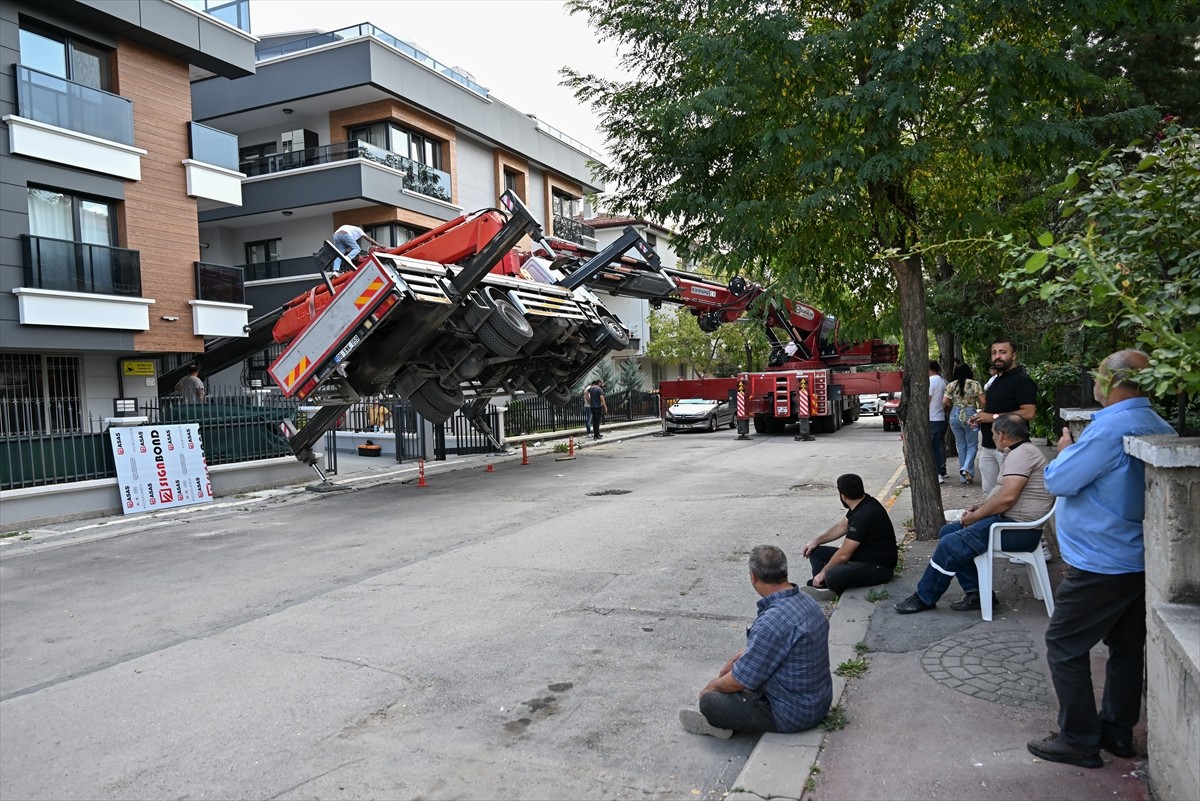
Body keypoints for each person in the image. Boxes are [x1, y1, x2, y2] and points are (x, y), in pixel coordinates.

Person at [1027, 349, 1175, 769]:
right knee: (1126, 648)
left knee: (1063, 644)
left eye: (1097, 375)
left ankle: (1078, 739)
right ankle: (1117, 732)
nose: (1094, 382)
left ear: (1111, 381)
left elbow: (1059, 479)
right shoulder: (1156, 422)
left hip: (1102, 561)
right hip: (1137, 557)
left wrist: (1065, 449)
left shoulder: (1110, 426)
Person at [894, 413, 1053, 614]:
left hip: (1016, 531)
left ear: (1002, 435)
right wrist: (980, 508)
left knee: (949, 544)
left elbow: (1007, 498)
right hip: (1008, 521)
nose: (992, 437)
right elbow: (1005, 494)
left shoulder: (1022, 455)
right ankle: (976, 593)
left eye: (993, 433)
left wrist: (976, 517)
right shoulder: (1019, 451)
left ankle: (925, 597)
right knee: (947, 532)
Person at [679, 545, 832, 738]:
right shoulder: (806, 600)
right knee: (736, 673)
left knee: (711, 702)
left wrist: (711, 687)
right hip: (818, 702)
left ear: (753, 577)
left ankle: (717, 725)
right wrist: (739, 658)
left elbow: (739, 680)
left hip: (794, 714)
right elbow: (776, 646)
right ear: (784, 572)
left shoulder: (772, 621)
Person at [800, 474, 897, 600]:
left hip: (879, 567)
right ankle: (821, 586)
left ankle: (824, 583)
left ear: (843, 496)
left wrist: (823, 572)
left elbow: (844, 555)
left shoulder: (864, 515)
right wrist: (815, 541)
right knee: (816, 552)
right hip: (861, 557)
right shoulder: (862, 503)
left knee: (832, 574)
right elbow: (841, 527)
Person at [969, 339, 1037, 494]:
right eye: (994, 352)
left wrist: (992, 417)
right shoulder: (997, 380)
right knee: (990, 494)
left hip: (1010, 448)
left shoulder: (1022, 380)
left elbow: (1029, 413)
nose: (997, 356)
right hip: (988, 446)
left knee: (1008, 495)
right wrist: (978, 417)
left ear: (1014, 355)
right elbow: (995, 409)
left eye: (1003, 352)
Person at [946, 363, 985, 484]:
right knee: (972, 445)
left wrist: (953, 407)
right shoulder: (975, 384)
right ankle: (966, 469)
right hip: (970, 415)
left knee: (961, 445)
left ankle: (964, 477)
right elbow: (983, 401)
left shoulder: (951, 385)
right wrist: (981, 412)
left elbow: (945, 402)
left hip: (954, 415)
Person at [928, 360, 948, 483]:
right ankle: (942, 470)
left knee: (932, 447)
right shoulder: (942, 381)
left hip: (932, 417)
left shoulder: (931, 381)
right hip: (941, 417)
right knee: (939, 446)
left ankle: (937, 474)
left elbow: (927, 399)